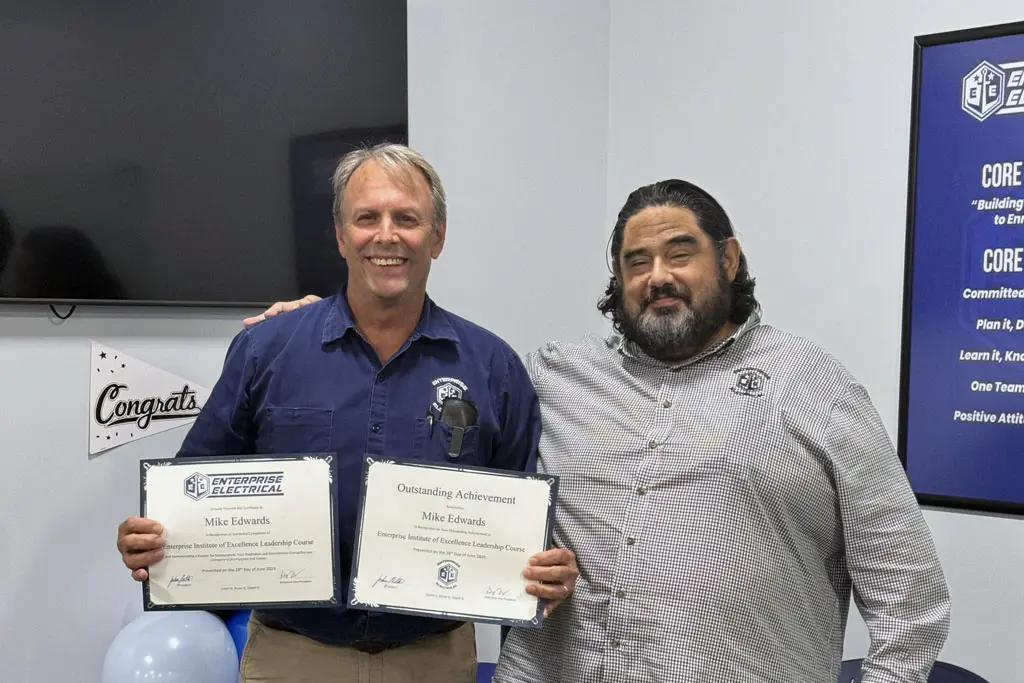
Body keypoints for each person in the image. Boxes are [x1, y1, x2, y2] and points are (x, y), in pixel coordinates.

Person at [244, 178, 952, 683]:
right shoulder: (549, 377)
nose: (658, 276)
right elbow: (426, 377)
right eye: (636, 262)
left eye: (680, 253)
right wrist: (322, 323)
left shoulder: (814, 385)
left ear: (728, 260)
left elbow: (909, 601)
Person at [115, 143, 578, 683]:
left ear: (438, 236)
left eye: (407, 218)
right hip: (293, 658)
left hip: (435, 661)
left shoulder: (494, 368)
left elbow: (519, 524)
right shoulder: (267, 350)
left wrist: (545, 567)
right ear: (341, 236)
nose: (387, 235)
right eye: (367, 218)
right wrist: (153, 540)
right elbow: (192, 496)